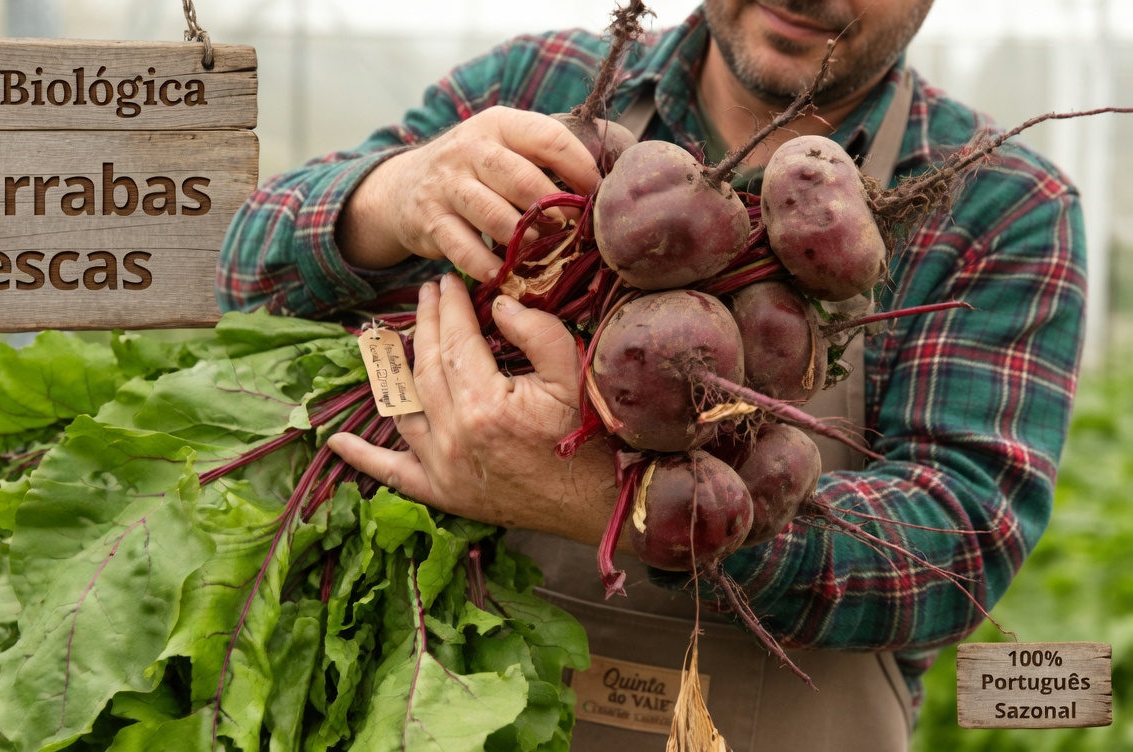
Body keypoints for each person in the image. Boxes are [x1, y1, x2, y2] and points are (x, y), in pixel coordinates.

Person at [217, 1, 1086, 749]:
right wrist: (391, 198)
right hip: (458, 698)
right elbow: (239, 272)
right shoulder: (539, 83)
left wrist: (615, 503)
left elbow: (956, 546)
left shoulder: (999, 200)